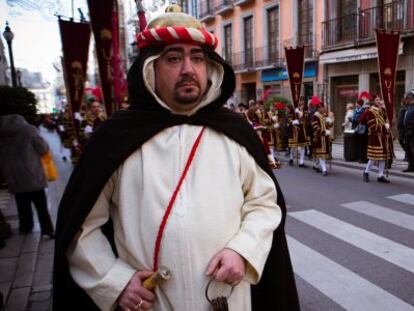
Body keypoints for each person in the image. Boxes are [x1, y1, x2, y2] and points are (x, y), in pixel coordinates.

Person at [53, 8, 299, 311]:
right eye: (173, 58)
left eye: (197, 58)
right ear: (150, 68)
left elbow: (263, 203)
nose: (188, 68)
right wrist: (114, 281)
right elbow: (82, 228)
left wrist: (243, 250)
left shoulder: (235, 132)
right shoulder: (116, 137)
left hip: (226, 299)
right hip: (151, 303)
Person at [0, 114, 55, 238]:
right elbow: (43, 149)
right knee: (41, 205)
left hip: (14, 177)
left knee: (22, 204)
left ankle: (25, 227)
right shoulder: (29, 130)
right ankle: (47, 229)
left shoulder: (2, 134)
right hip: (32, 174)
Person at [360, 95, 392, 183]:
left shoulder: (381, 110)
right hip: (375, 137)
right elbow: (372, 126)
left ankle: (380, 175)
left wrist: (386, 111)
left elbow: (386, 120)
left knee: (382, 157)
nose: (378, 101)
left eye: (379, 100)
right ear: (373, 101)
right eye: (377, 100)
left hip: (383, 138)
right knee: (373, 157)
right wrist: (384, 127)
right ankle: (366, 172)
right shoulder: (370, 112)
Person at [311, 102, 331, 176]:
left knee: (322, 153)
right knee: (321, 153)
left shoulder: (324, 115)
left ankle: (315, 165)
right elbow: (315, 126)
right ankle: (324, 169)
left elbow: (328, 125)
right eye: (323, 108)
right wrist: (323, 132)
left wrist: (329, 122)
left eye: (324, 107)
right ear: (319, 108)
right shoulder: (315, 116)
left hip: (325, 137)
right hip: (319, 136)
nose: (324, 109)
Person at [399, 90, 414, 172]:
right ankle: (411, 167)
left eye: (407, 98)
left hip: (412, 132)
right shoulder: (408, 107)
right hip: (406, 132)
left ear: (410, 98)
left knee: (413, 150)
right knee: (408, 151)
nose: (405, 100)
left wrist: (411, 129)